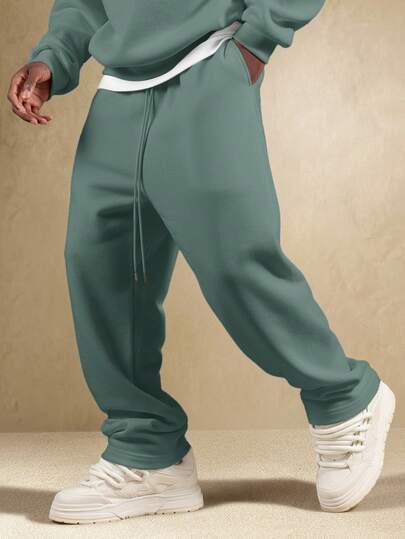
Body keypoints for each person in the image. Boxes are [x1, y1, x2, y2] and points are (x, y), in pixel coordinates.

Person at [8, 0, 395, 524]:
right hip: (118, 90)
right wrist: (54, 57)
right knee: (100, 268)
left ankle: (344, 398)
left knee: (234, 260)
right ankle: (147, 452)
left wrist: (256, 40)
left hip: (209, 64)